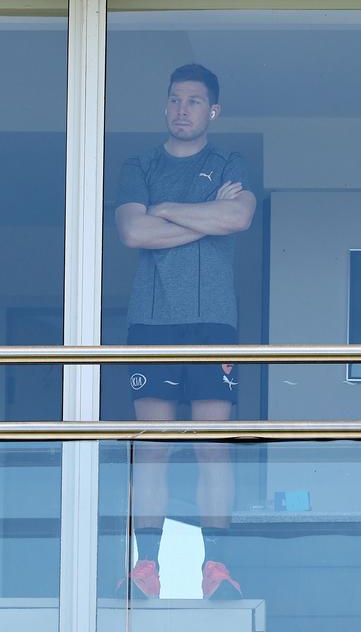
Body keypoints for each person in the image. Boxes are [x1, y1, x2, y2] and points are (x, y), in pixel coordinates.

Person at [115, 63, 256, 601]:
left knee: (211, 447)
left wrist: (168, 211)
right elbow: (132, 230)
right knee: (153, 447)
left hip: (213, 321)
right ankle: (145, 565)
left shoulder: (229, 161)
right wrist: (204, 214)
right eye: (175, 100)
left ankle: (215, 564)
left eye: (194, 101)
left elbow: (237, 220)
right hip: (151, 320)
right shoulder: (140, 164)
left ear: (212, 110)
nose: (182, 109)